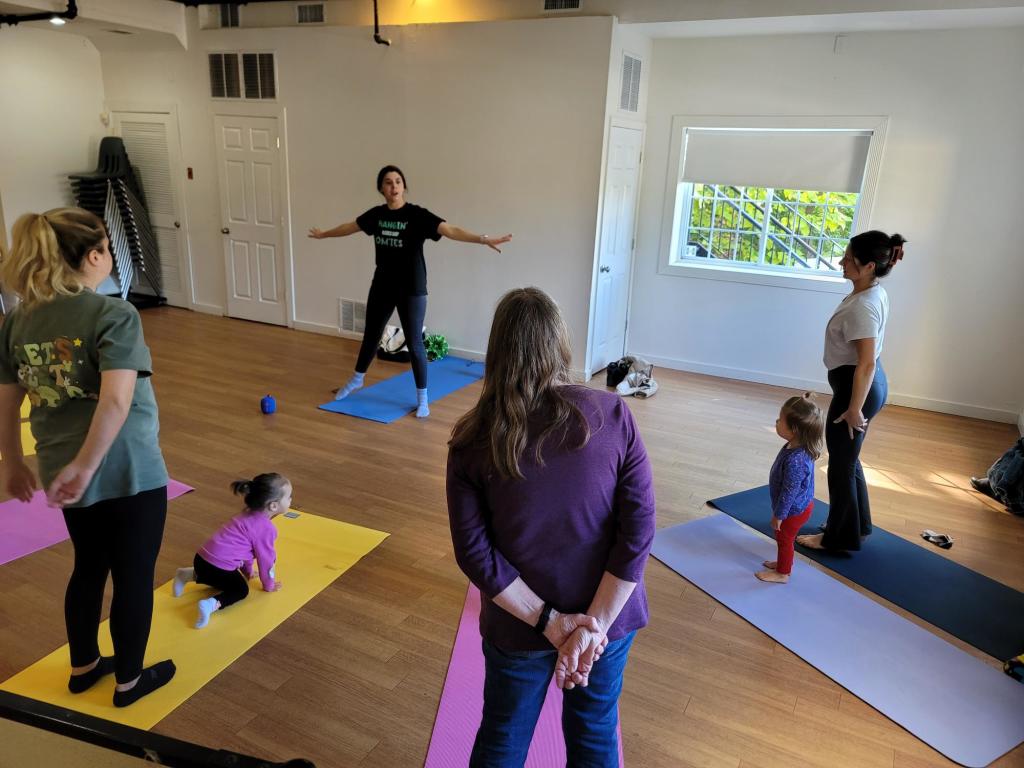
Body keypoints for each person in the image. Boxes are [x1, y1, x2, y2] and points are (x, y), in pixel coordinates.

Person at [447, 287, 655, 767]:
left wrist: (552, 623)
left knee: (503, 735)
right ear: (560, 344)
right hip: (605, 623)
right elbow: (638, 529)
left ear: (496, 352)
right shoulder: (611, 413)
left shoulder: (471, 440)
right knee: (594, 730)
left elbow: (475, 554)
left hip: (521, 626)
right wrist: (592, 628)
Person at [0, 208, 175, 707]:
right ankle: (130, 682)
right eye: (108, 250)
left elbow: (6, 401)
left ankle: (84, 667)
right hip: (127, 470)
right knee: (134, 575)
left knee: (89, 565)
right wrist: (88, 464)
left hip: (62, 472)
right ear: (95, 255)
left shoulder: (18, 320)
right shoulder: (113, 314)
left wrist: (13, 461)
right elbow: (116, 401)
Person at [309, 165, 512, 418]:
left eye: (397, 181)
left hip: (412, 288)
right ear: (381, 189)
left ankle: (422, 397)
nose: (393, 186)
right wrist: (324, 235)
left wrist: (483, 239)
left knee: (415, 342)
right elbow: (350, 226)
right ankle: (357, 379)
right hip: (382, 284)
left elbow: (450, 230)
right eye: (388, 182)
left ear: (404, 186)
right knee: (371, 335)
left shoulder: (417, 216)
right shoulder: (376, 215)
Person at [797, 231, 906, 552]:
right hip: (863, 384)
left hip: (857, 387)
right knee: (849, 458)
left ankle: (837, 538)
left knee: (841, 464)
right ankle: (858, 525)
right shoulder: (872, 291)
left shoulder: (864, 307)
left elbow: (866, 363)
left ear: (869, 266)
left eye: (848, 258)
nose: (841, 261)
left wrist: (854, 407)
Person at [172, 473, 290, 628]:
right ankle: (210, 605)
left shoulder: (245, 514)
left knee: (218, 576)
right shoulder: (266, 529)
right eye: (288, 497)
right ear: (273, 505)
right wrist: (268, 584)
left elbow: (247, 552)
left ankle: (186, 575)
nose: (290, 500)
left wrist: (248, 572)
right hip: (218, 567)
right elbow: (266, 560)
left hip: (201, 559)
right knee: (240, 590)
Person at [756, 393, 824, 583]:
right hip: (796, 506)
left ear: (794, 429)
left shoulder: (796, 460)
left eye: (780, 420)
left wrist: (779, 515)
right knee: (783, 538)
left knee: (784, 539)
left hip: (793, 510)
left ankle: (783, 573)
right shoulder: (796, 444)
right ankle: (782, 563)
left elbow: (789, 492)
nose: (776, 422)